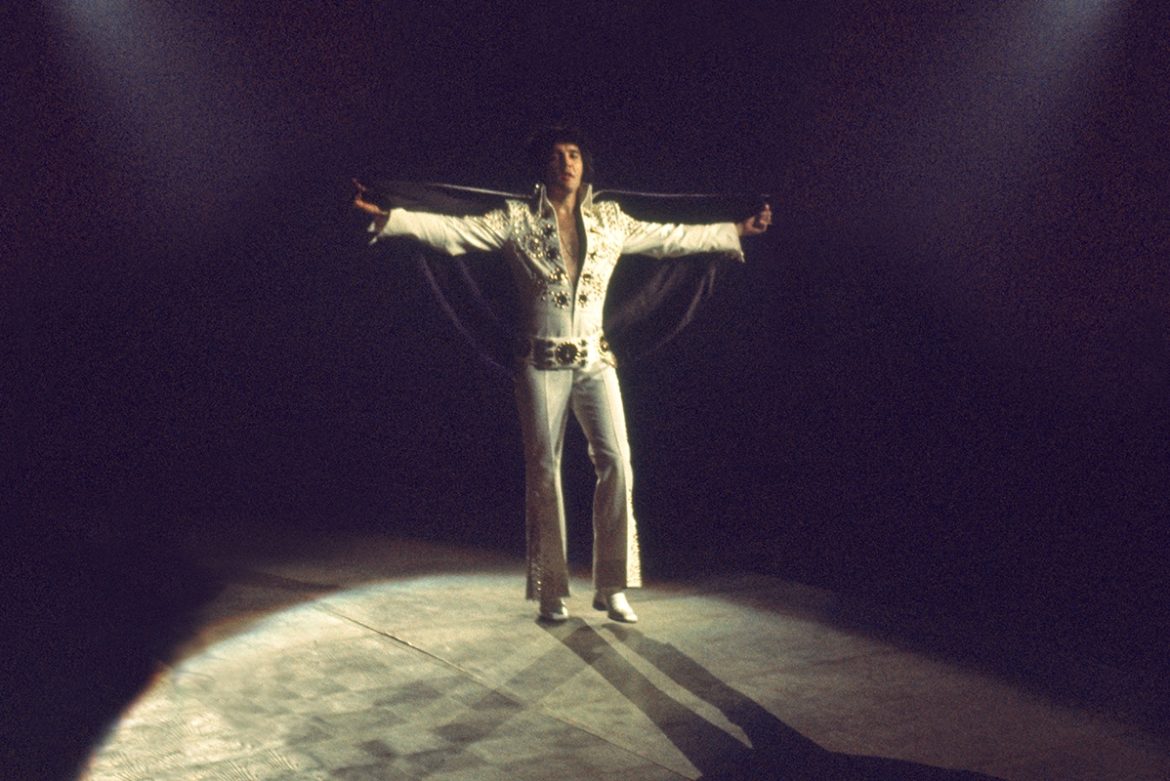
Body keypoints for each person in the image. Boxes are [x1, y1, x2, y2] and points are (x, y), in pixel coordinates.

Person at [353, 126, 771, 622]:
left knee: (618, 463)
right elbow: (453, 232)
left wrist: (734, 230)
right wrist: (392, 219)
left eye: (573, 154)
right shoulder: (516, 219)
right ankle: (550, 589)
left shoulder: (610, 220)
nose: (566, 162)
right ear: (544, 166)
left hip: (595, 360)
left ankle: (612, 586)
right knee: (545, 473)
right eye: (556, 155)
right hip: (540, 362)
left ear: (584, 164)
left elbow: (671, 237)